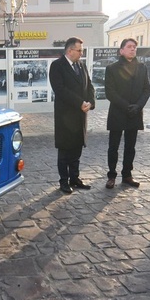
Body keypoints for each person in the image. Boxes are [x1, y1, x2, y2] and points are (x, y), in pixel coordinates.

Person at [49, 37, 96, 194]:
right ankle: (63, 181)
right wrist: (80, 102)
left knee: (76, 150)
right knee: (64, 151)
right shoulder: (57, 66)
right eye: (79, 50)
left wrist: (90, 102)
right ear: (70, 51)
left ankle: (74, 178)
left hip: (80, 116)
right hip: (65, 117)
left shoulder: (80, 65)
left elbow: (89, 85)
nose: (82, 53)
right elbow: (60, 89)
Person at [104, 38, 150, 189]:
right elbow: (110, 92)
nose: (133, 49)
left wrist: (137, 106)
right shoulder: (112, 68)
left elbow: (147, 89)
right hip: (118, 112)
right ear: (121, 50)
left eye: (135, 47)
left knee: (130, 147)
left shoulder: (142, 67)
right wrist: (126, 106)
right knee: (113, 146)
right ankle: (111, 175)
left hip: (135, 113)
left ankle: (127, 175)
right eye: (129, 47)